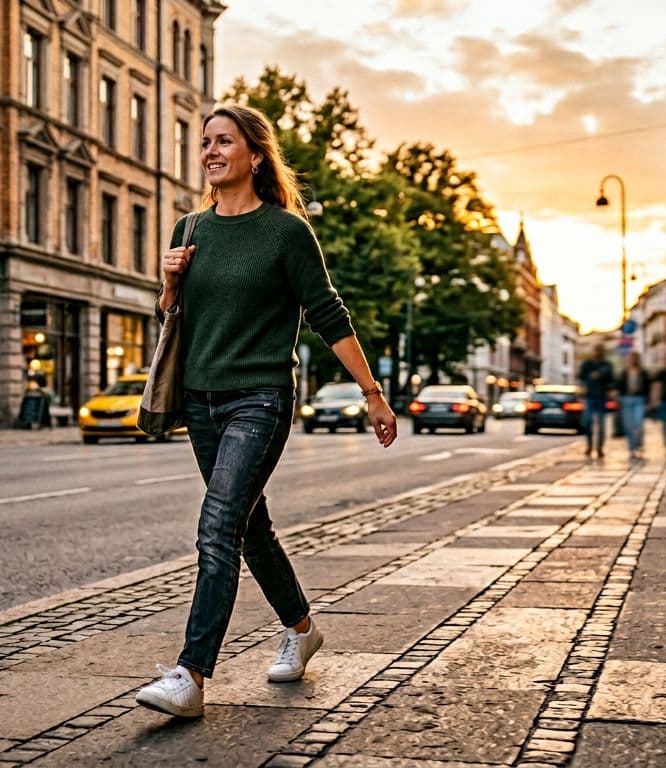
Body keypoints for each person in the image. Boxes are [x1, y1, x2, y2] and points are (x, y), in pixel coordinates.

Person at [134, 104, 398, 719]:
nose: (211, 151)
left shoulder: (286, 232)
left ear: (255, 155)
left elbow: (328, 315)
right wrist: (169, 287)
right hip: (200, 399)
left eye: (223, 141)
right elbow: (175, 321)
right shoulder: (187, 229)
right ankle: (302, 629)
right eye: (205, 143)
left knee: (218, 527)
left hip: (261, 397)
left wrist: (372, 394)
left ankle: (191, 674)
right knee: (250, 528)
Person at [578, 343, 614, 459]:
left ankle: (599, 448)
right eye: (596, 350)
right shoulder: (587, 364)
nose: (598, 352)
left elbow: (611, 381)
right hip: (589, 397)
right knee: (588, 423)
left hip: (601, 397)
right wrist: (584, 386)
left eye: (600, 350)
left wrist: (610, 390)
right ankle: (589, 446)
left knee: (602, 426)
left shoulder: (607, 365)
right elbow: (580, 377)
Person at [616, 352, 650, 460]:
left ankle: (639, 445)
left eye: (634, 358)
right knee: (628, 426)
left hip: (639, 399)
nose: (632, 361)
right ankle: (632, 449)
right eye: (631, 358)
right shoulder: (624, 372)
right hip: (627, 400)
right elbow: (618, 386)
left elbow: (648, 387)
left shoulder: (643, 372)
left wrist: (649, 401)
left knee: (638, 424)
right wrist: (618, 397)